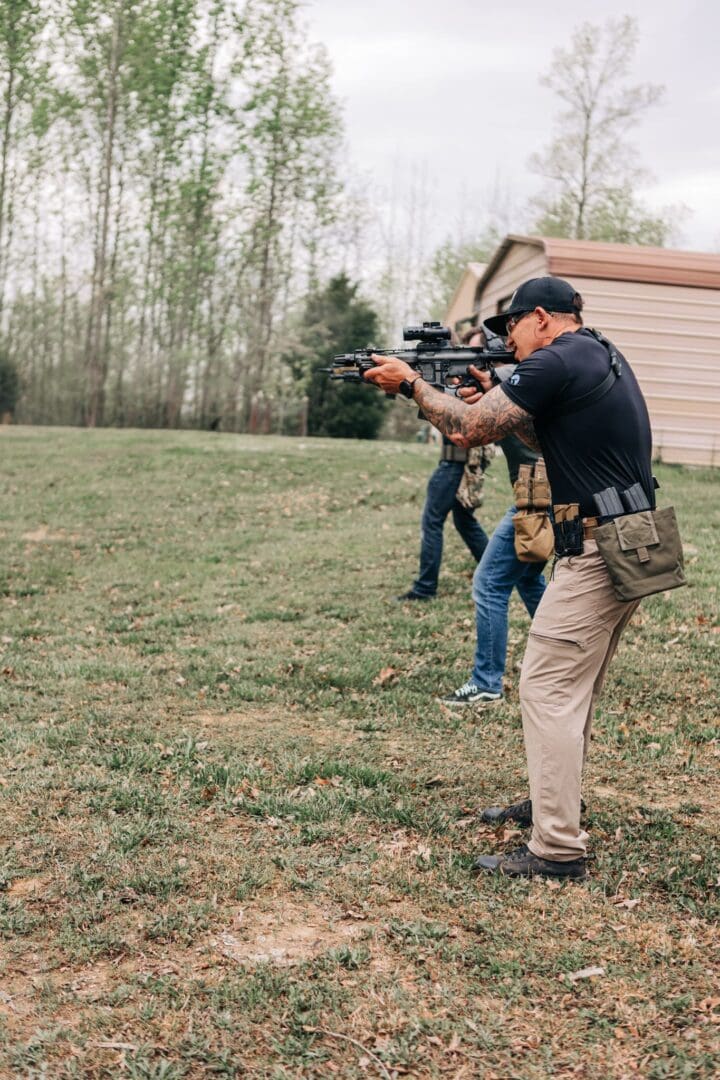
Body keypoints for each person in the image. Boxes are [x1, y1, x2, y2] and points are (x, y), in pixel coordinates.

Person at [364, 276, 653, 881]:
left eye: (512, 329)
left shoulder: (554, 358)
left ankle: (557, 849)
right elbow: (535, 431)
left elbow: (468, 430)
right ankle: (554, 806)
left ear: (541, 318)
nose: (509, 342)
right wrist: (495, 391)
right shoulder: (595, 350)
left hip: (600, 548)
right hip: (629, 539)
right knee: (572, 692)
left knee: (546, 689)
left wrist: (412, 384)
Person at [439, 328, 546, 707]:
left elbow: (464, 431)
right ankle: (567, 657)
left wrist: (414, 388)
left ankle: (486, 683)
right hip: (542, 490)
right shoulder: (521, 383)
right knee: (530, 579)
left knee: (489, 584)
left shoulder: (511, 389)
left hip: (537, 494)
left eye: (474, 359)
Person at [397, 435, 490, 601]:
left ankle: (425, 588)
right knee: (465, 522)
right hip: (468, 463)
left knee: (432, 522)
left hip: (455, 463)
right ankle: (495, 572)